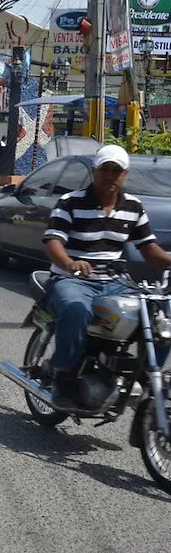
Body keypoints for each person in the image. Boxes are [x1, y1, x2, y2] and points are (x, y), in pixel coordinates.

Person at [43, 145, 171, 413]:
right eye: (105, 169)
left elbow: (150, 250)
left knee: (161, 313)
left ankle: (147, 373)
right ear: (94, 172)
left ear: (125, 175)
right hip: (72, 280)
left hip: (114, 282)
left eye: (116, 171)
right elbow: (53, 242)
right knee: (77, 310)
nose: (110, 176)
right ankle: (63, 376)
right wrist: (70, 263)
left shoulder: (133, 207)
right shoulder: (70, 202)